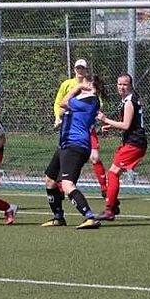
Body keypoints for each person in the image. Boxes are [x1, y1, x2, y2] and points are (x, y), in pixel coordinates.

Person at [43, 75, 105, 229]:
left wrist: (76, 88)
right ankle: (58, 217)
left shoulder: (90, 101)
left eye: (84, 84)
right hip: (65, 145)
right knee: (50, 180)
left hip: (75, 145)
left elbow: (63, 103)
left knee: (67, 184)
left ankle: (89, 217)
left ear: (91, 86)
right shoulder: (79, 100)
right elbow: (62, 111)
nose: (80, 85)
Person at [95, 74, 147, 221]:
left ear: (130, 85)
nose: (121, 87)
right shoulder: (128, 100)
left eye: (125, 84)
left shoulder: (129, 102)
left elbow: (126, 125)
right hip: (132, 142)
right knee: (113, 172)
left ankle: (110, 209)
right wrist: (110, 126)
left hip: (135, 143)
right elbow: (129, 123)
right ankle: (113, 204)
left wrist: (105, 119)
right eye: (119, 84)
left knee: (113, 173)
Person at [54, 59, 107, 197]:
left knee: (94, 157)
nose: (80, 70)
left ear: (86, 70)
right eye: (78, 68)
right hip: (70, 126)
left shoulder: (92, 86)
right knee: (64, 156)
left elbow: (97, 104)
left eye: (82, 68)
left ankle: (104, 188)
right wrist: (58, 117)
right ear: (74, 69)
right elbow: (59, 103)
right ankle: (63, 188)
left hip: (85, 126)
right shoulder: (67, 84)